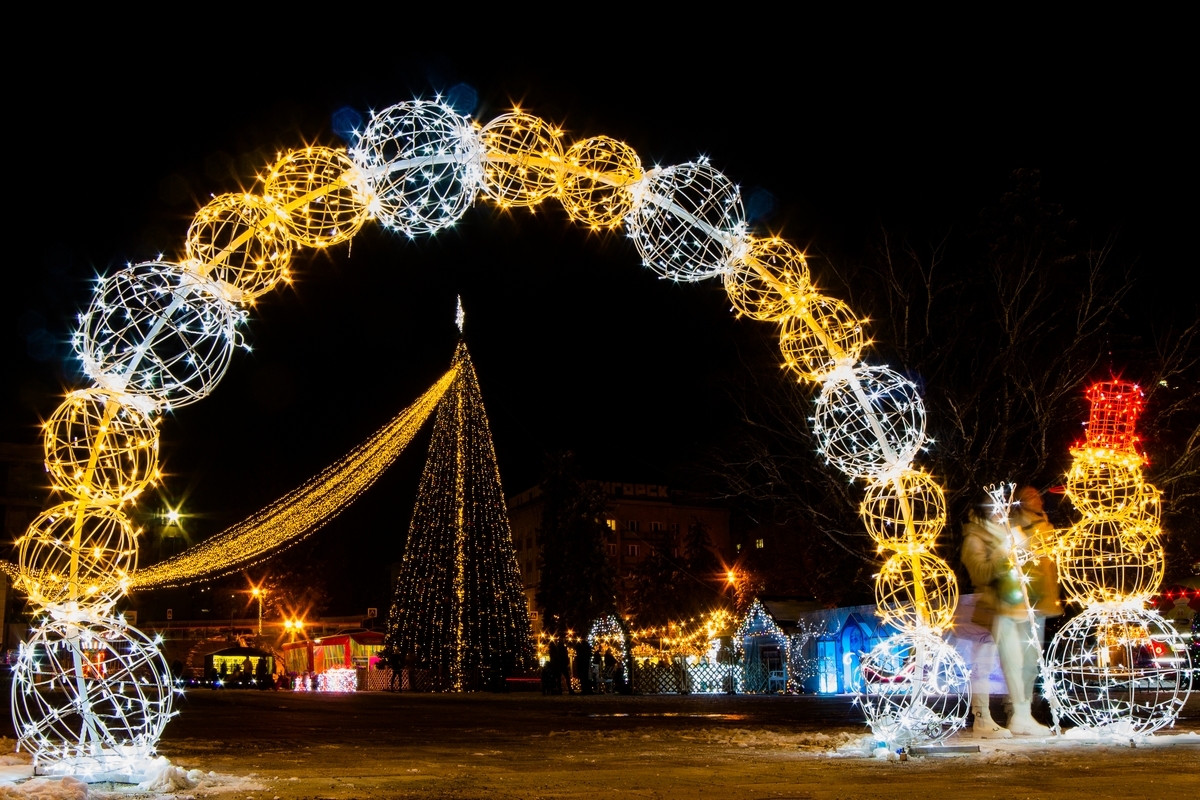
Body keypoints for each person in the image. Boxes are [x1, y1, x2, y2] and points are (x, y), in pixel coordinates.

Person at [961, 486, 1061, 736]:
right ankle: (985, 719)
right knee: (996, 664)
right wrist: (1003, 553)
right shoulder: (976, 536)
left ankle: (1021, 715)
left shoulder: (1012, 528)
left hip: (1025, 606)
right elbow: (980, 572)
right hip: (997, 608)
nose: (999, 511)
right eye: (992, 507)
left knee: (1028, 663)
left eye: (1002, 505)